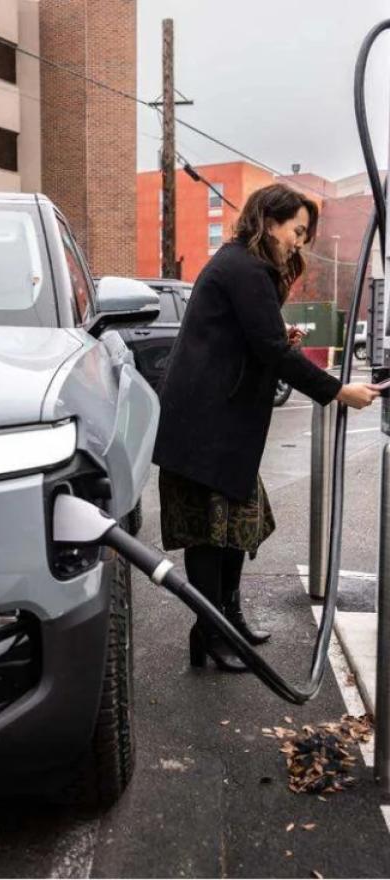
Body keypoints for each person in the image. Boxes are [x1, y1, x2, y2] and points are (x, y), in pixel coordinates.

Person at [152, 183, 378, 672]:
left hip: (218, 426)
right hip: (205, 427)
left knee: (235, 529)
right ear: (269, 222)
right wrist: (339, 391)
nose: (299, 242)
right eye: (297, 230)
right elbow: (271, 352)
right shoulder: (246, 268)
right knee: (208, 535)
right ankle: (210, 632)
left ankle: (226, 621)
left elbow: (254, 339)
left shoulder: (242, 265)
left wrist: (278, 336)